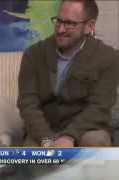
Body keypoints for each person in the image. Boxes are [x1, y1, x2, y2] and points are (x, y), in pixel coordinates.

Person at [18, 0, 119, 147]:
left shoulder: (109, 58)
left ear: (89, 26)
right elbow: (27, 104)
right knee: (37, 157)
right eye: (59, 21)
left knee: (95, 140)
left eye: (70, 23)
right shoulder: (33, 54)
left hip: (87, 129)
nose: (60, 29)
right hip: (44, 131)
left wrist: (69, 137)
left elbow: (99, 107)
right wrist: (46, 139)